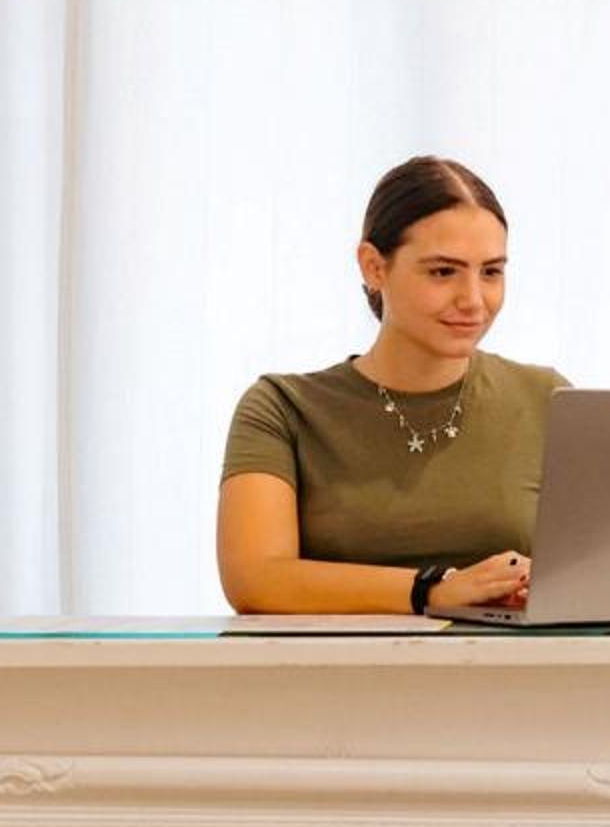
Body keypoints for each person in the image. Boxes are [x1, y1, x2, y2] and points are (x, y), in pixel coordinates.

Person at [215, 156, 566, 614]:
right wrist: (433, 590)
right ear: (373, 267)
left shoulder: (548, 400)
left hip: (517, 663)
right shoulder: (282, 409)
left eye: (491, 272)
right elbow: (255, 579)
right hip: (330, 664)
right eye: (443, 272)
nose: (474, 300)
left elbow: (602, 568)